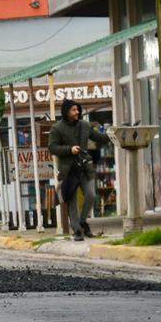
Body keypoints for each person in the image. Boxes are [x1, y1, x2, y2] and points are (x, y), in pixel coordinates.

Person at [48, 99, 108, 241]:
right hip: (68, 171)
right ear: (66, 112)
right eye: (74, 110)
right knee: (72, 201)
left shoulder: (85, 125)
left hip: (85, 168)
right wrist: (70, 149)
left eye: (78, 110)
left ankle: (82, 222)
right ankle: (77, 230)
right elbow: (52, 148)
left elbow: (100, 138)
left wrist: (115, 132)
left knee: (91, 195)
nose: (77, 112)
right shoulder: (57, 128)